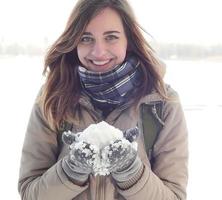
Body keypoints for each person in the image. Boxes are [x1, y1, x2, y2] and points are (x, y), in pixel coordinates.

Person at [18, 0, 188, 199]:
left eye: (111, 37)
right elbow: (30, 193)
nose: (98, 52)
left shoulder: (162, 104)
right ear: (74, 42)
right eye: (86, 38)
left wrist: (131, 172)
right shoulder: (52, 98)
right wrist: (71, 170)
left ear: (129, 40)